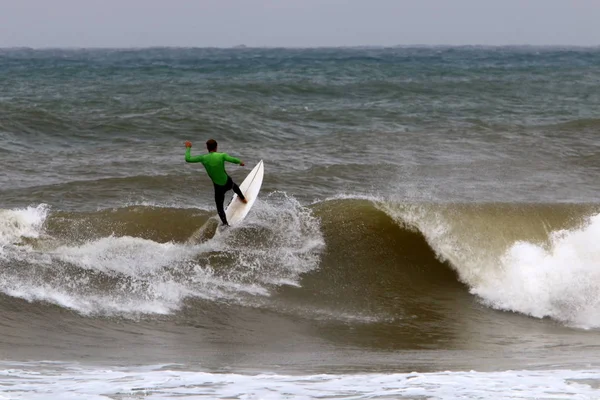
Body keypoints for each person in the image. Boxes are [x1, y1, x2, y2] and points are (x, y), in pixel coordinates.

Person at [185, 139, 247, 226]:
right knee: (233, 185)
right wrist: (240, 162)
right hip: (227, 182)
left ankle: (225, 224)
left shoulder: (203, 158)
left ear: (207, 148)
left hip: (218, 188)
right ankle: (243, 198)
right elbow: (232, 159)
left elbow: (188, 159)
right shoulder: (222, 155)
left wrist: (188, 147)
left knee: (220, 208)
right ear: (216, 147)